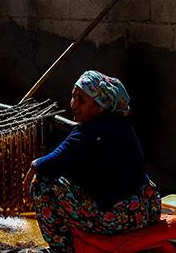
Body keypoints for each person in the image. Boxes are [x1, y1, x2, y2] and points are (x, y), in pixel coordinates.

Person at [25, 70, 160, 252]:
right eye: (73, 96)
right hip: (149, 208)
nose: (74, 104)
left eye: (82, 99)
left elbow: (45, 165)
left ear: (99, 107)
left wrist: (29, 176)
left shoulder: (88, 131)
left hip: (123, 217)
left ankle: (62, 248)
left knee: (41, 184)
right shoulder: (122, 124)